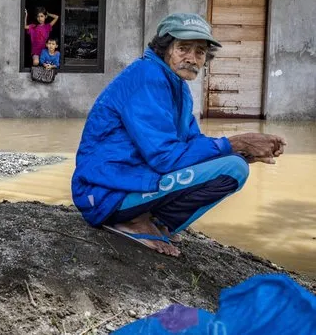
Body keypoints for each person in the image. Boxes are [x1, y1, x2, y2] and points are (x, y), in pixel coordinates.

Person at [72, 13, 286, 257]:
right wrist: (234, 143)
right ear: (165, 49)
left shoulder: (178, 88)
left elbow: (191, 143)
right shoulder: (148, 77)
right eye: (183, 48)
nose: (192, 59)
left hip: (129, 182)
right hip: (104, 194)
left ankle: (153, 222)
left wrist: (242, 150)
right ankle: (132, 222)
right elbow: (164, 157)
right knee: (232, 169)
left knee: (235, 166)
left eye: (200, 52)